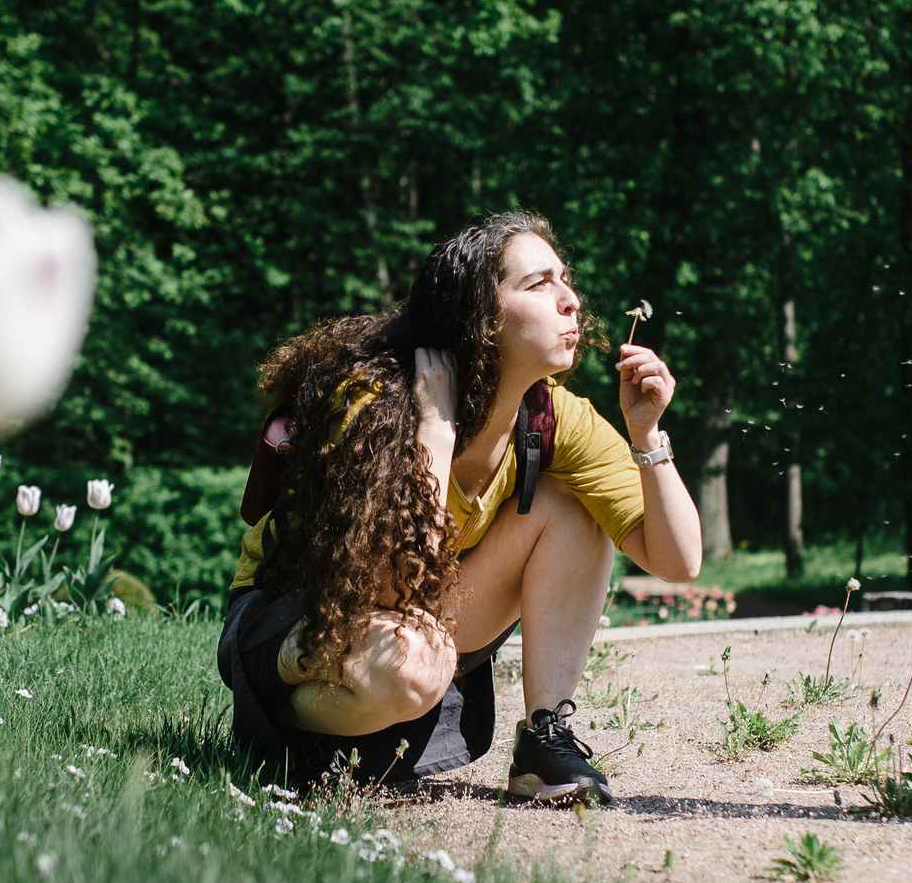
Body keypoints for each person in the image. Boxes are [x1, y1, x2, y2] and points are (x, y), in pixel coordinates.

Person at [217, 211, 702, 803]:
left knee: (570, 508)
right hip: (294, 616)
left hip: (413, 626)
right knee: (412, 662)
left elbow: (678, 562)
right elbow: (385, 587)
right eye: (538, 284)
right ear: (481, 318)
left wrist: (648, 437)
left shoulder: (555, 416)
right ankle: (281, 742)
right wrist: (435, 438)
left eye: (564, 278)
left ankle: (543, 742)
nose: (570, 299)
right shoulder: (376, 401)